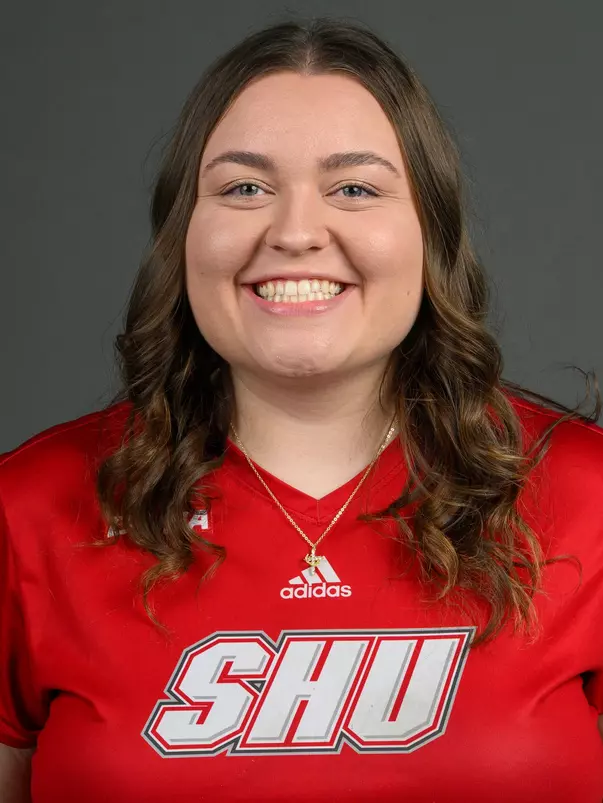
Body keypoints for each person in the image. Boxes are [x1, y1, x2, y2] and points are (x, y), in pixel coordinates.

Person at [1, 16, 602, 803]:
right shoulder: (29, 508)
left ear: (430, 229)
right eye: (243, 188)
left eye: (353, 187)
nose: (293, 231)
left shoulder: (586, 498)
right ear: (183, 234)